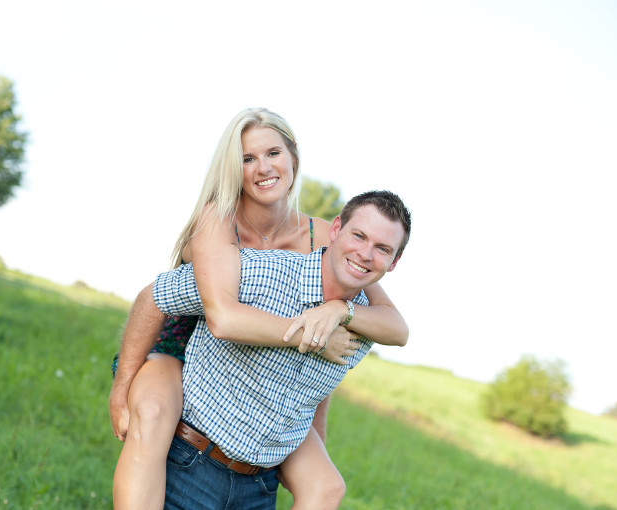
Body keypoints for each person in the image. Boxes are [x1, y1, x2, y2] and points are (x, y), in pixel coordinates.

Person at [110, 108, 409, 509]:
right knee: (149, 410)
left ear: (293, 158)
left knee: (325, 485)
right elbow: (219, 317)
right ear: (233, 168)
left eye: (272, 154)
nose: (262, 167)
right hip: (185, 345)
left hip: (263, 372)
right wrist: (122, 385)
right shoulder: (219, 222)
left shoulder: (324, 235)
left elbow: (389, 326)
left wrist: (339, 311)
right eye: (247, 159)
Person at [154, 190, 412, 509]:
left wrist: (340, 310)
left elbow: (318, 389)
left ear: (394, 261)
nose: (366, 253)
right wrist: (124, 382)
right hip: (193, 466)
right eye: (359, 235)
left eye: (383, 248)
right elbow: (154, 298)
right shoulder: (262, 272)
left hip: (259, 487)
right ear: (335, 230)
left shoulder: (366, 325)